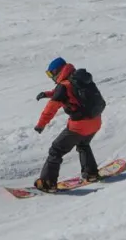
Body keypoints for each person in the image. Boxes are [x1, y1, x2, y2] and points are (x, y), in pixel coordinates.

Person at [32, 57, 104, 191]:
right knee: (83, 144)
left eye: (50, 74)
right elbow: (70, 93)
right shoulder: (79, 78)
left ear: (57, 71)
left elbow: (51, 109)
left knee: (56, 150)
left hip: (79, 126)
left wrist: (40, 125)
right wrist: (48, 94)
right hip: (95, 121)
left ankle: (48, 183)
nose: (51, 77)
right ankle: (91, 173)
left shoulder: (63, 86)